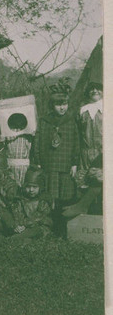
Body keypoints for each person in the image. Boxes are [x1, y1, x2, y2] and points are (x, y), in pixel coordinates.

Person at [32, 78, 80, 234]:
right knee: (49, 196)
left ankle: (62, 226)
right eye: (59, 105)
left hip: (65, 165)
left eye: (64, 104)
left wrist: (74, 163)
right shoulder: (45, 121)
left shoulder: (71, 121)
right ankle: (47, 225)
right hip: (49, 164)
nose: (62, 108)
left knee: (64, 197)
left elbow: (76, 143)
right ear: (52, 106)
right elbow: (38, 142)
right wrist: (38, 160)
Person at [62, 81, 103, 218]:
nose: (95, 91)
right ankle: (85, 215)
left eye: (98, 89)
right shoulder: (82, 110)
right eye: (91, 89)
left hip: (103, 152)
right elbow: (78, 133)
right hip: (85, 152)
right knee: (84, 181)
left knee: (100, 180)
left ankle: (100, 215)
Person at [0, 112, 33, 187]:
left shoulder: (28, 133)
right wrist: (0, 141)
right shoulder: (7, 132)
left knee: (25, 185)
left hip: (25, 166)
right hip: (11, 165)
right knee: (12, 185)